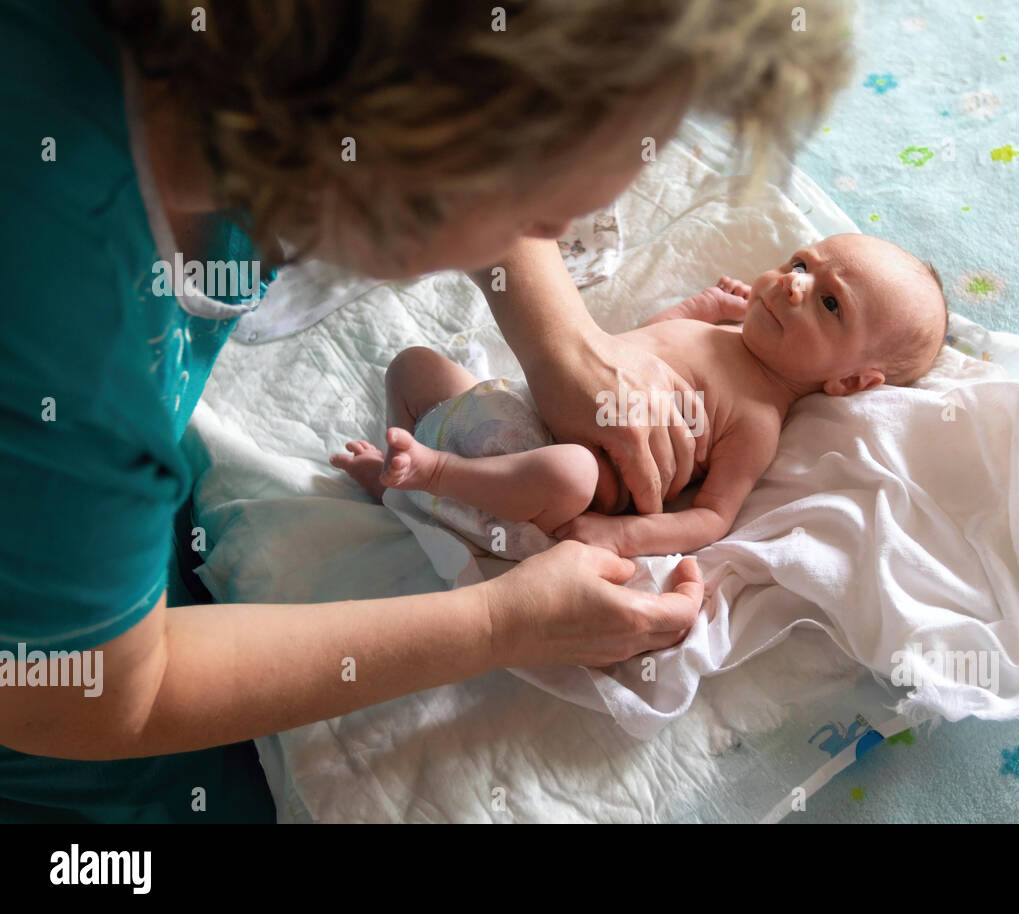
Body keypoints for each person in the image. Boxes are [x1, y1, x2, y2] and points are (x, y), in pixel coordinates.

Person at [0, 0, 850, 822]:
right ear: (421, 127)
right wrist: (496, 623)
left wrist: (563, 344)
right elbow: (85, 694)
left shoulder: (238, 86)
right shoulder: (70, 338)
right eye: (537, 215)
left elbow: (709, 515)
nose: (545, 240)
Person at [333, 235, 950, 556]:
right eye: (801, 264)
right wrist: (697, 307)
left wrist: (622, 537)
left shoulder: (757, 419)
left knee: (570, 470)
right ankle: (395, 472)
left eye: (830, 302)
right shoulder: (714, 329)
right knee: (413, 366)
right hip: (516, 405)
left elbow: (710, 519)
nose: (794, 285)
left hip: (547, 478)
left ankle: (433, 474)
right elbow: (635, 350)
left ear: (848, 382)